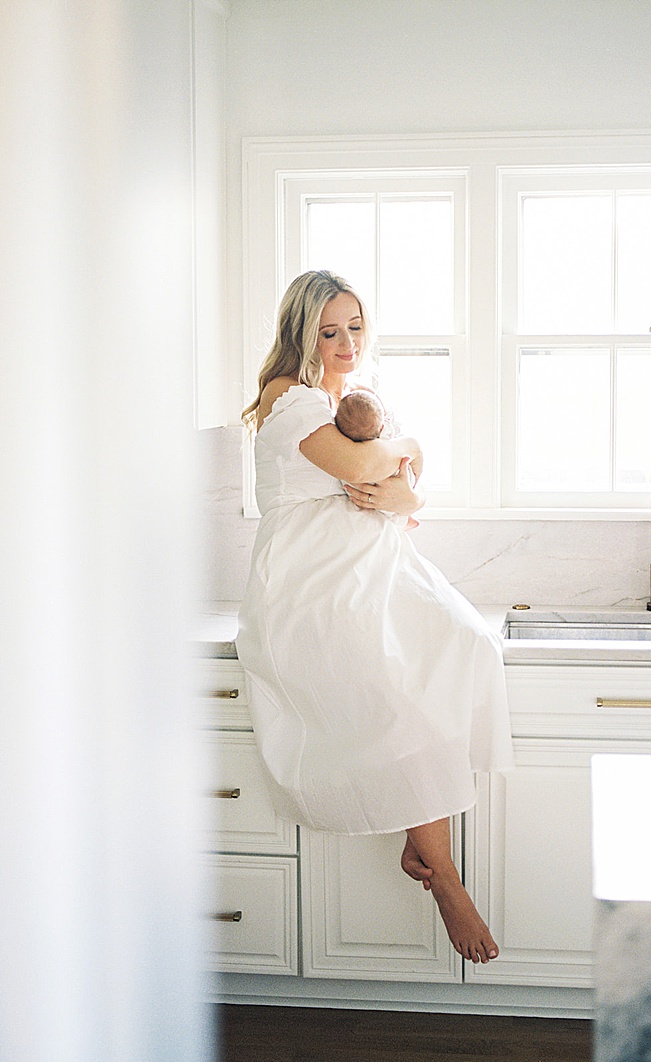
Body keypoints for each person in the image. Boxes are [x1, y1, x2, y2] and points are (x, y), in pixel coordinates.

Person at [236, 270, 514, 964]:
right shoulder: (289, 399)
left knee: (466, 644)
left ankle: (415, 834)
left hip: (380, 571)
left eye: (355, 326)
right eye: (329, 331)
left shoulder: (356, 399)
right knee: (398, 700)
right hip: (313, 585)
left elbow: (401, 495)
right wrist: (405, 451)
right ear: (302, 334)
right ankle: (444, 875)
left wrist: (397, 486)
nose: (345, 342)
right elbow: (364, 463)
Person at [334, 389, 420, 530]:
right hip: (389, 478)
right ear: (381, 427)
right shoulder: (385, 434)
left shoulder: (344, 442)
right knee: (404, 472)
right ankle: (404, 521)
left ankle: (402, 520)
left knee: (354, 489)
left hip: (361, 489)